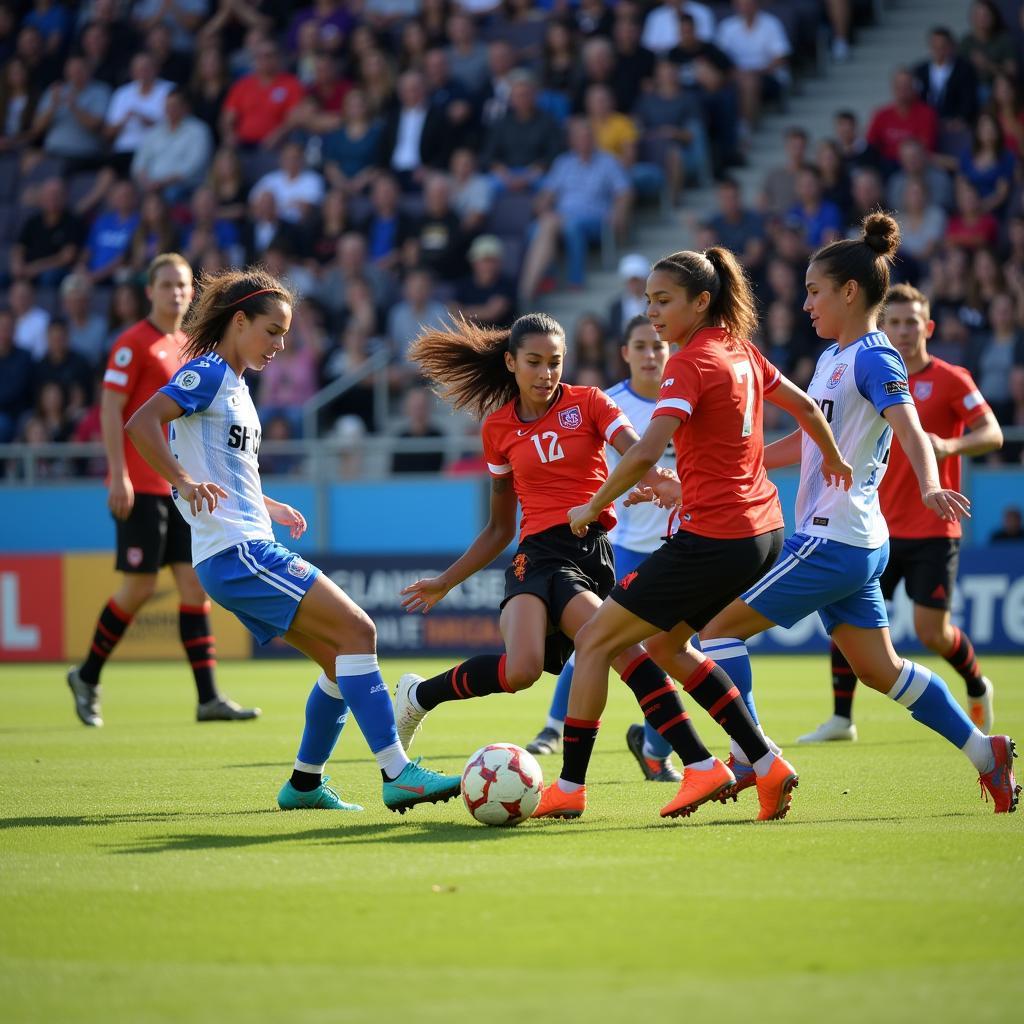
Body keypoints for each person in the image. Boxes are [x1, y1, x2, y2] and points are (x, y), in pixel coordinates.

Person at [698, 214, 1019, 816]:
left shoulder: (874, 359)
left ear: (849, 292)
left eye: (814, 290)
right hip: (855, 538)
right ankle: (985, 753)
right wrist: (746, 466)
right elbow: (813, 441)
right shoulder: (833, 358)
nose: (806, 301)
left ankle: (752, 757)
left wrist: (928, 482)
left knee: (714, 633)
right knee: (883, 671)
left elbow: (913, 429)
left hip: (832, 539)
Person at [123, 265, 463, 815]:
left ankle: (304, 784)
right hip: (236, 553)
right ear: (239, 321)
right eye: (273, 330)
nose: (281, 344)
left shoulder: (235, 386)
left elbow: (228, 469)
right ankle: (399, 773)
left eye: (286, 334)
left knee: (339, 663)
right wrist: (182, 483)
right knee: (359, 630)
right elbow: (141, 422)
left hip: (240, 546)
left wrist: (269, 504)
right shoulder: (208, 372)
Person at [531, 247, 851, 823]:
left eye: (663, 301)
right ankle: (758, 764)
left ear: (701, 301)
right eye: (647, 300)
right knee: (665, 645)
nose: (651, 312)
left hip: (716, 536)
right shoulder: (740, 350)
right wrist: (832, 457)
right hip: (763, 530)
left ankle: (570, 789)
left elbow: (649, 449)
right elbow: (805, 405)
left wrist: (592, 505)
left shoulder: (691, 360)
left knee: (596, 641)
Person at [392, 312, 682, 761]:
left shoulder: (590, 402)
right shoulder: (498, 429)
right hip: (539, 555)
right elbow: (499, 528)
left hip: (592, 553)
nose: (546, 374)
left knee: (615, 653)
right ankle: (417, 699)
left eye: (555, 362)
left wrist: (659, 476)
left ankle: (695, 763)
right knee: (526, 670)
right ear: (510, 362)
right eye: (534, 362)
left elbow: (635, 449)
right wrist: (446, 581)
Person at [799, 284, 1004, 744]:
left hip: (933, 525)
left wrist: (950, 445)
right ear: (882, 325)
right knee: (847, 622)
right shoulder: (864, 368)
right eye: (895, 322)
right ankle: (841, 718)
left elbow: (992, 433)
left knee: (933, 632)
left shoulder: (952, 379)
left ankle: (975, 684)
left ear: (928, 328)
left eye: (912, 322)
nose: (904, 330)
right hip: (877, 524)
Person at [66, 253, 258, 728]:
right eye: (167, 284)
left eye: (183, 285)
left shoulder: (190, 348)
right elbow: (114, 411)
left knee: (194, 588)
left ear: (193, 294)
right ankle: (87, 675)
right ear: (149, 291)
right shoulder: (132, 345)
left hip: (184, 491)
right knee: (140, 586)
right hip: (145, 485)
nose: (175, 292)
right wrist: (118, 473)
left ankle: (208, 697)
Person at [524, 315, 683, 783]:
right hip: (628, 547)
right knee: (595, 643)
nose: (651, 354)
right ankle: (554, 729)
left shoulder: (686, 399)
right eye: (641, 346)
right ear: (625, 354)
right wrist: (618, 498)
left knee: (674, 650)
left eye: (658, 346)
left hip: (684, 544)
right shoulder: (609, 405)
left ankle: (656, 746)